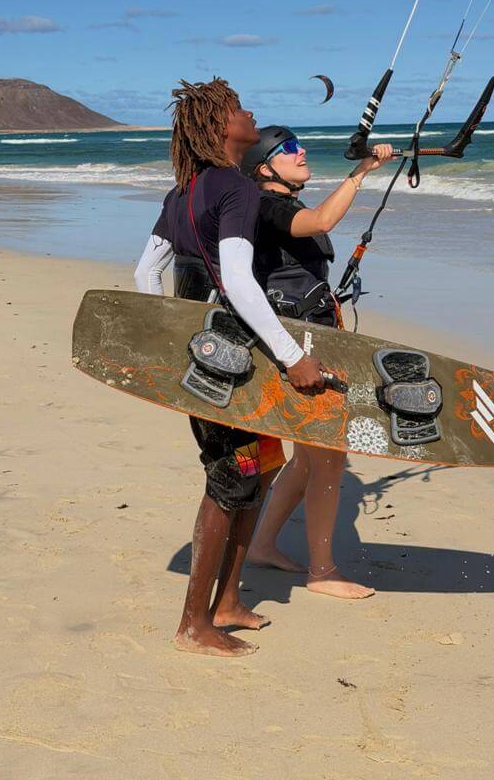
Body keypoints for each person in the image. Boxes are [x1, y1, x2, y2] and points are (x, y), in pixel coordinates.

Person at [134, 79, 325, 657]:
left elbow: (146, 275)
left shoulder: (182, 192)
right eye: (241, 109)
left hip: (203, 359)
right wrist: (293, 358)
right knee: (232, 479)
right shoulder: (236, 190)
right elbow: (239, 281)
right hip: (234, 365)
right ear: (222, 127)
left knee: (258, 469)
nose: (251, 114)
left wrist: (174, 345)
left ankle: (227, 602)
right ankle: (195, 623)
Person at [241, 125, 394, 598]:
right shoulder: (266, 206)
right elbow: (321, 222)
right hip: (294, 347)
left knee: (310, 459)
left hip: (312, 335)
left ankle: (263, 545)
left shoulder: (278, 203)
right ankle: (322, 573)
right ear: (266, 167)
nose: (300, 151)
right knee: (329, 456)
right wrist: (361, 173)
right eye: (288, 148)